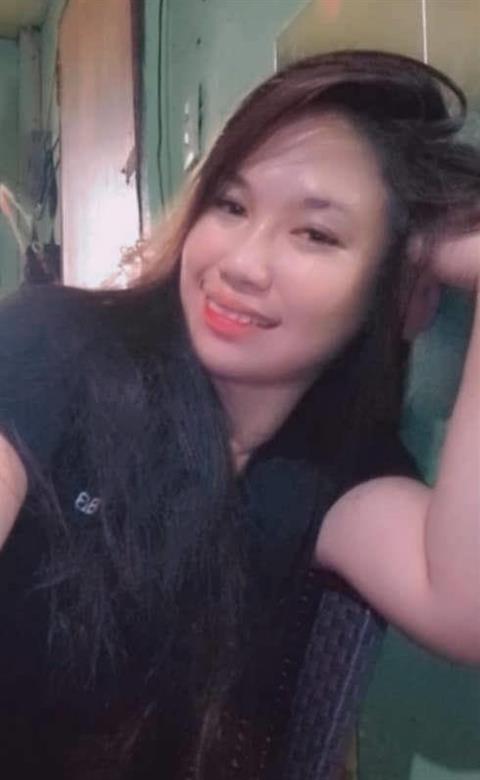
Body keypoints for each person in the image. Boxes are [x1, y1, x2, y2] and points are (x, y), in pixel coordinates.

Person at [0, 50, 478, 779]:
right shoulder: (57, 344)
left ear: (404, 293)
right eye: (231, 205)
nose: (242, 264)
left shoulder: (333, 475)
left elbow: (463, 607)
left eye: (316, 234)